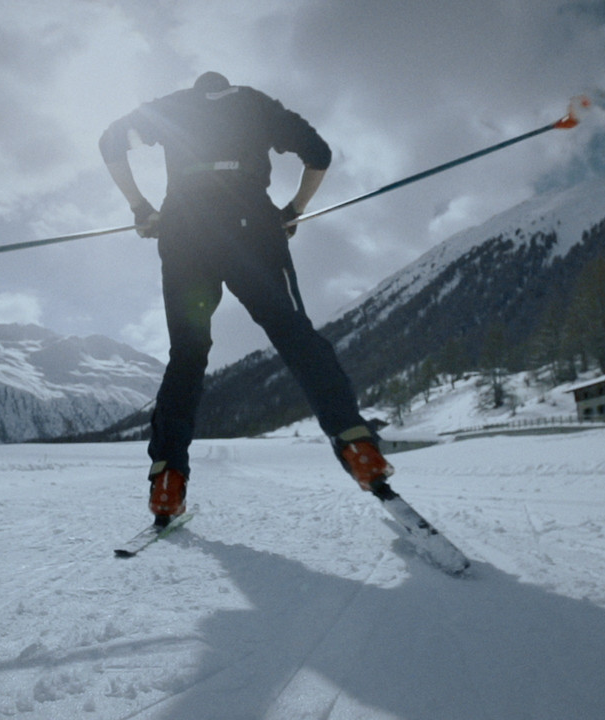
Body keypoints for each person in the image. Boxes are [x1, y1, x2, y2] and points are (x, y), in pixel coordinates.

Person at [99, 71, 392, 525]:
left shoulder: (171, 105)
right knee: (293, 334)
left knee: (188, 356)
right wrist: (293, 211)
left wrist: (141, 208)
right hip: (250, 228)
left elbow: (109, 143)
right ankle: (355, 442)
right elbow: (320, 155)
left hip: (184, 234)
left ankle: (167, 479)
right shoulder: (256, 104)